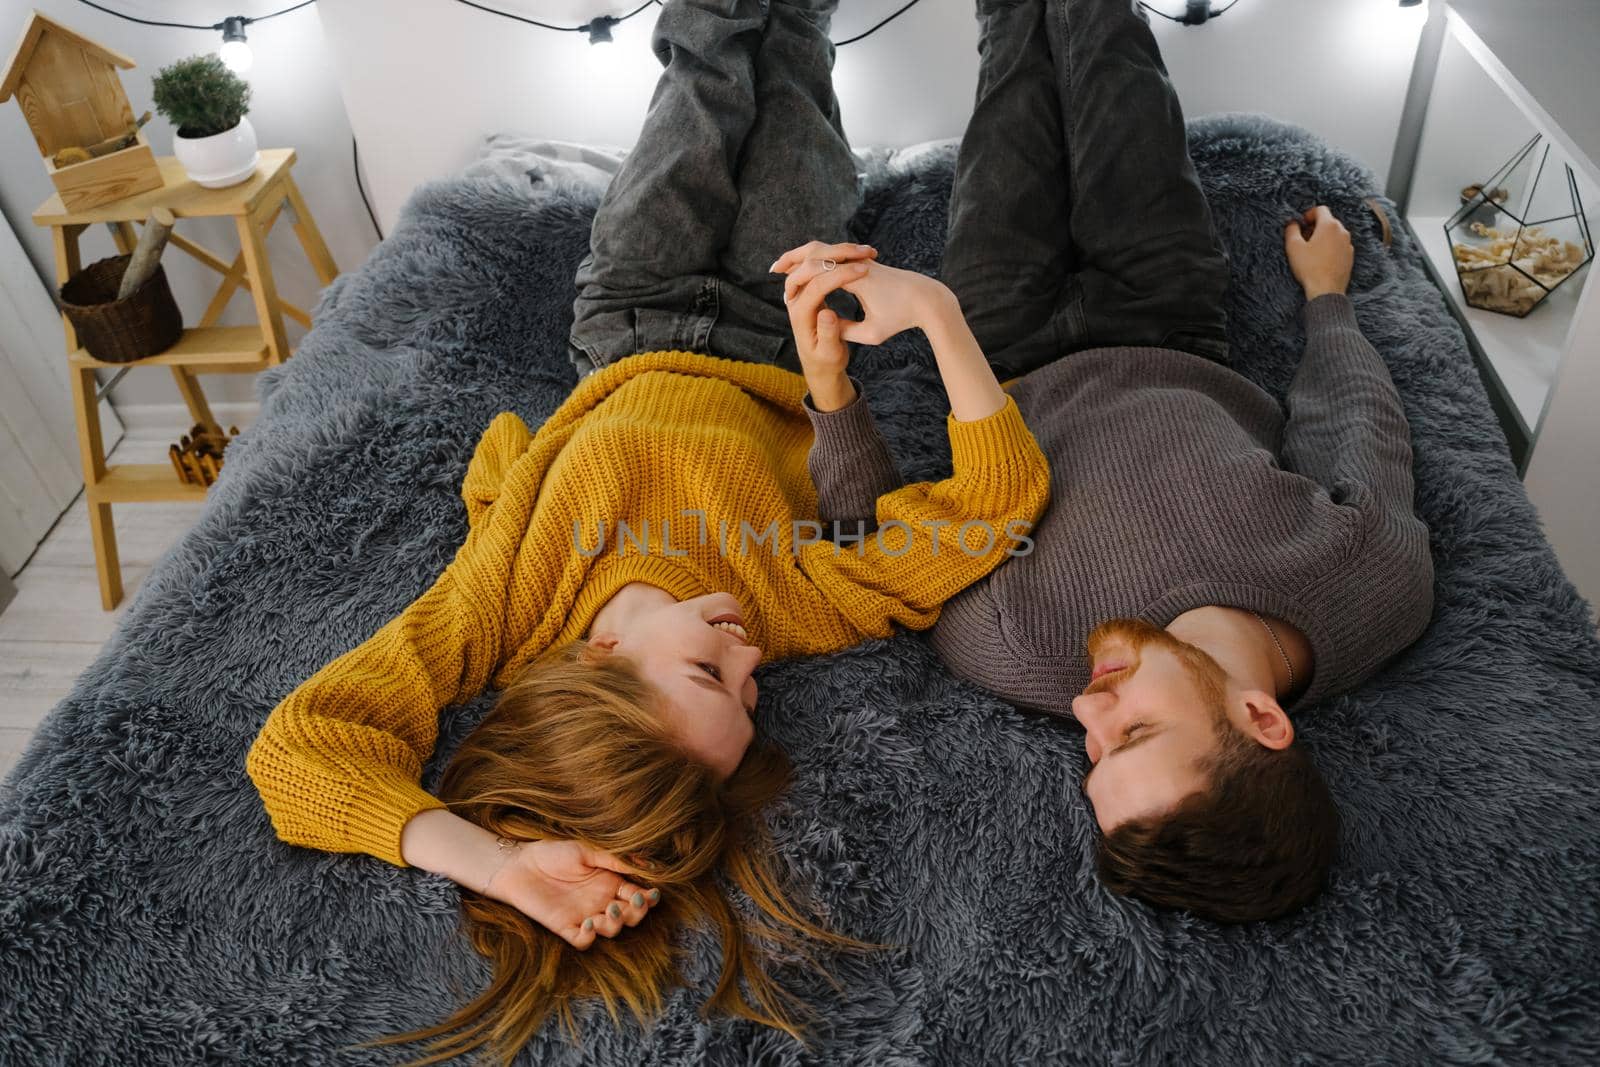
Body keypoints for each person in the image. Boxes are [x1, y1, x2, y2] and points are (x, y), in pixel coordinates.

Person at [245, 0, 1048, 1060]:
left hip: (632, 310)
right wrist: (937, 316)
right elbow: (991, 509)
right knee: (800, 83)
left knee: (708, 75)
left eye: (714, 673)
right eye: (753, 690)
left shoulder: (504, 602)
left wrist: (495, 862)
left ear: (602, 654)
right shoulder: (784, 604)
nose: (749, 650)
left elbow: (300, 751)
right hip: (771, 326)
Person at [783, 0, 1434, 924]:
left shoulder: (1027, 652)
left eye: (1095, 755)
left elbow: (878, 547)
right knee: (1107, 49)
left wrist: (833, 395)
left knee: (1013, 67)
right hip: (1171, 321)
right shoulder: (1377, 585)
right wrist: (1328, 295)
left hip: (1003, 353)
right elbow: (1353, 417)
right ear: (1261, 720)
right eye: (1133, 733)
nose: (1087, 716)